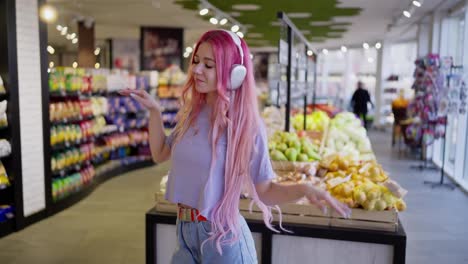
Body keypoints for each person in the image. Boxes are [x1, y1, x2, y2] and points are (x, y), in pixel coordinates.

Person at [120, 30, 351, 263]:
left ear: (235, 74)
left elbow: (265, 191)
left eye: (209, 65)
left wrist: (304, 189)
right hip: (184, 231)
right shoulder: (191, 114)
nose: (197, 70)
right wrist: (154, 112)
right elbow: (160, 154)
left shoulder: (247, 125)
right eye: (197, 61)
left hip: (222, 239)